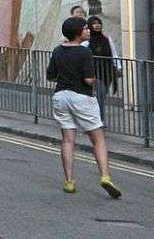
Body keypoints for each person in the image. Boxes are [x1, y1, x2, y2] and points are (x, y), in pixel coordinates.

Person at [46, 16, 122, 198]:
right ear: (78, 33)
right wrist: (96, 80)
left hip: (61, 97)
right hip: (82, 97)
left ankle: (69, 181)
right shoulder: (84, 52)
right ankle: (105, 176)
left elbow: (50, 75)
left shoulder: (57, 51)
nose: (88, 30)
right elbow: (88, 79)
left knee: (67, 140)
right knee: (98, 139)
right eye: (85, 28)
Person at [86, 16, 121, 122]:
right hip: (94, 73)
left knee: (102, 94)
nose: (97, 25)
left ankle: (93, 117)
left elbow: (113, 52)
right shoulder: (86, 41)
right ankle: (99, 120)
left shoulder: (106, 38)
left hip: (107, 72)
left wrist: (118, 67)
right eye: (94, 23)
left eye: (99, 23)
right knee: (100, 95)